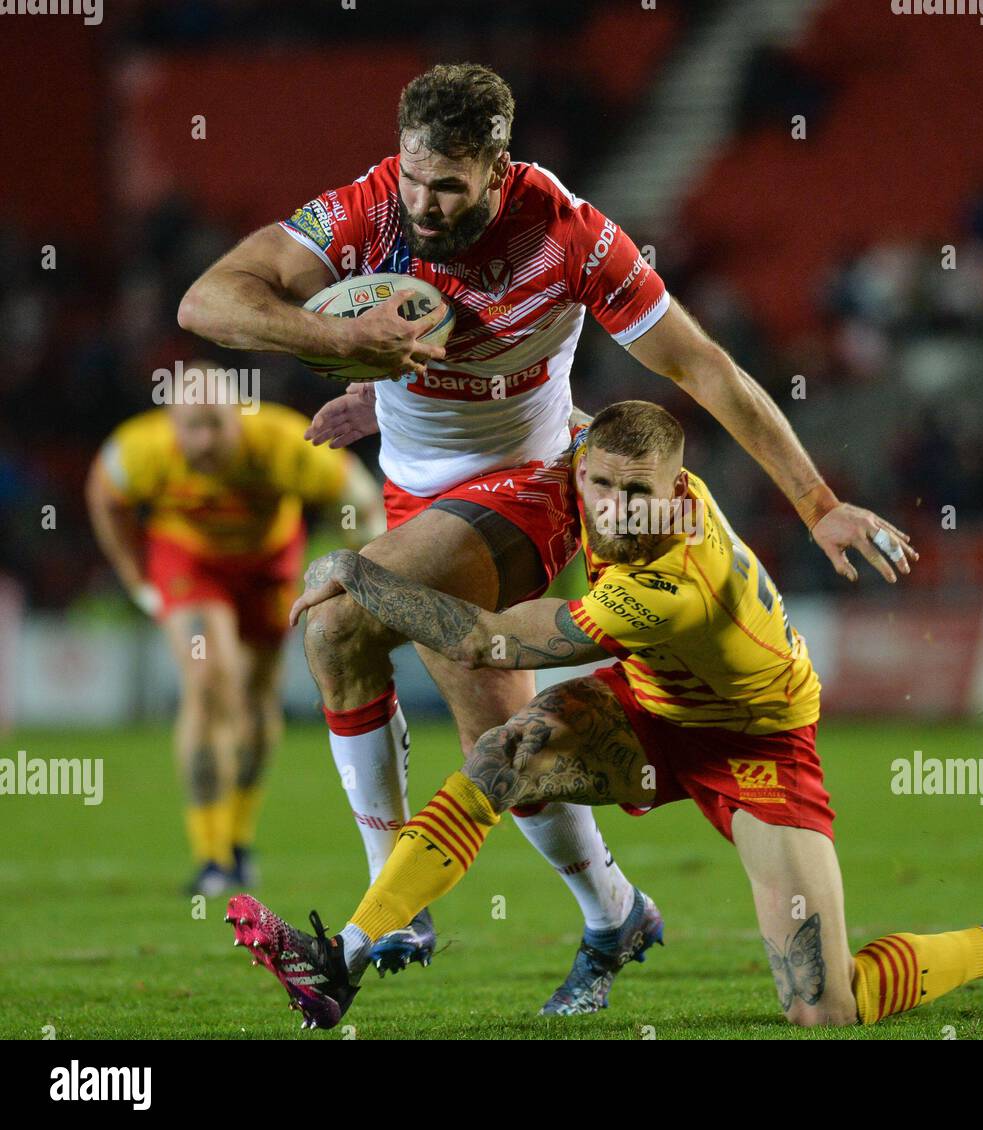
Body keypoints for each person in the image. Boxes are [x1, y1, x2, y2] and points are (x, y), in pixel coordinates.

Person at [178, 63, 912, 1011]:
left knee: (337, 622)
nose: (425, 203)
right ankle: (615, 913)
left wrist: (819, 504)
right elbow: (206, 303)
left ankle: (390, 904)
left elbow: (704, 365)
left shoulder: (568, 237)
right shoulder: (369, 213)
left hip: (531, 485)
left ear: (497, 167)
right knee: (510, 754)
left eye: (449, 184)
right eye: (412, 176)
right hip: (420, 499)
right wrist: (344, 352)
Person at [224, 400, 983, 1029]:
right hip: (653, 709)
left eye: (638, 494)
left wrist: (361, 574)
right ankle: (346, 953)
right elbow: (534, 410)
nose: (614, 510)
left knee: (826, 1007)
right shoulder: (593, 463)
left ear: (679, 492)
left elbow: (490, 645)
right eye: (601, 485)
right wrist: (395, 406)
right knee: (507, 750)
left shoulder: (673, 585)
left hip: (757, 747)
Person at [86, 386, 384, 895]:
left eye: (215, 425)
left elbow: (357, 499)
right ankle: (210, 856)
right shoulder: (140, 449)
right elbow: (104, 497)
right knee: (209, 680)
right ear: (171, 424)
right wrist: (138, 579)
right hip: (190, 563)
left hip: (269, 567)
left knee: (257, 696)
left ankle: (238, 843)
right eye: (191, 427)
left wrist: (366, 575)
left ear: (239, 419)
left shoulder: (285, 441)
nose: (202, 441)